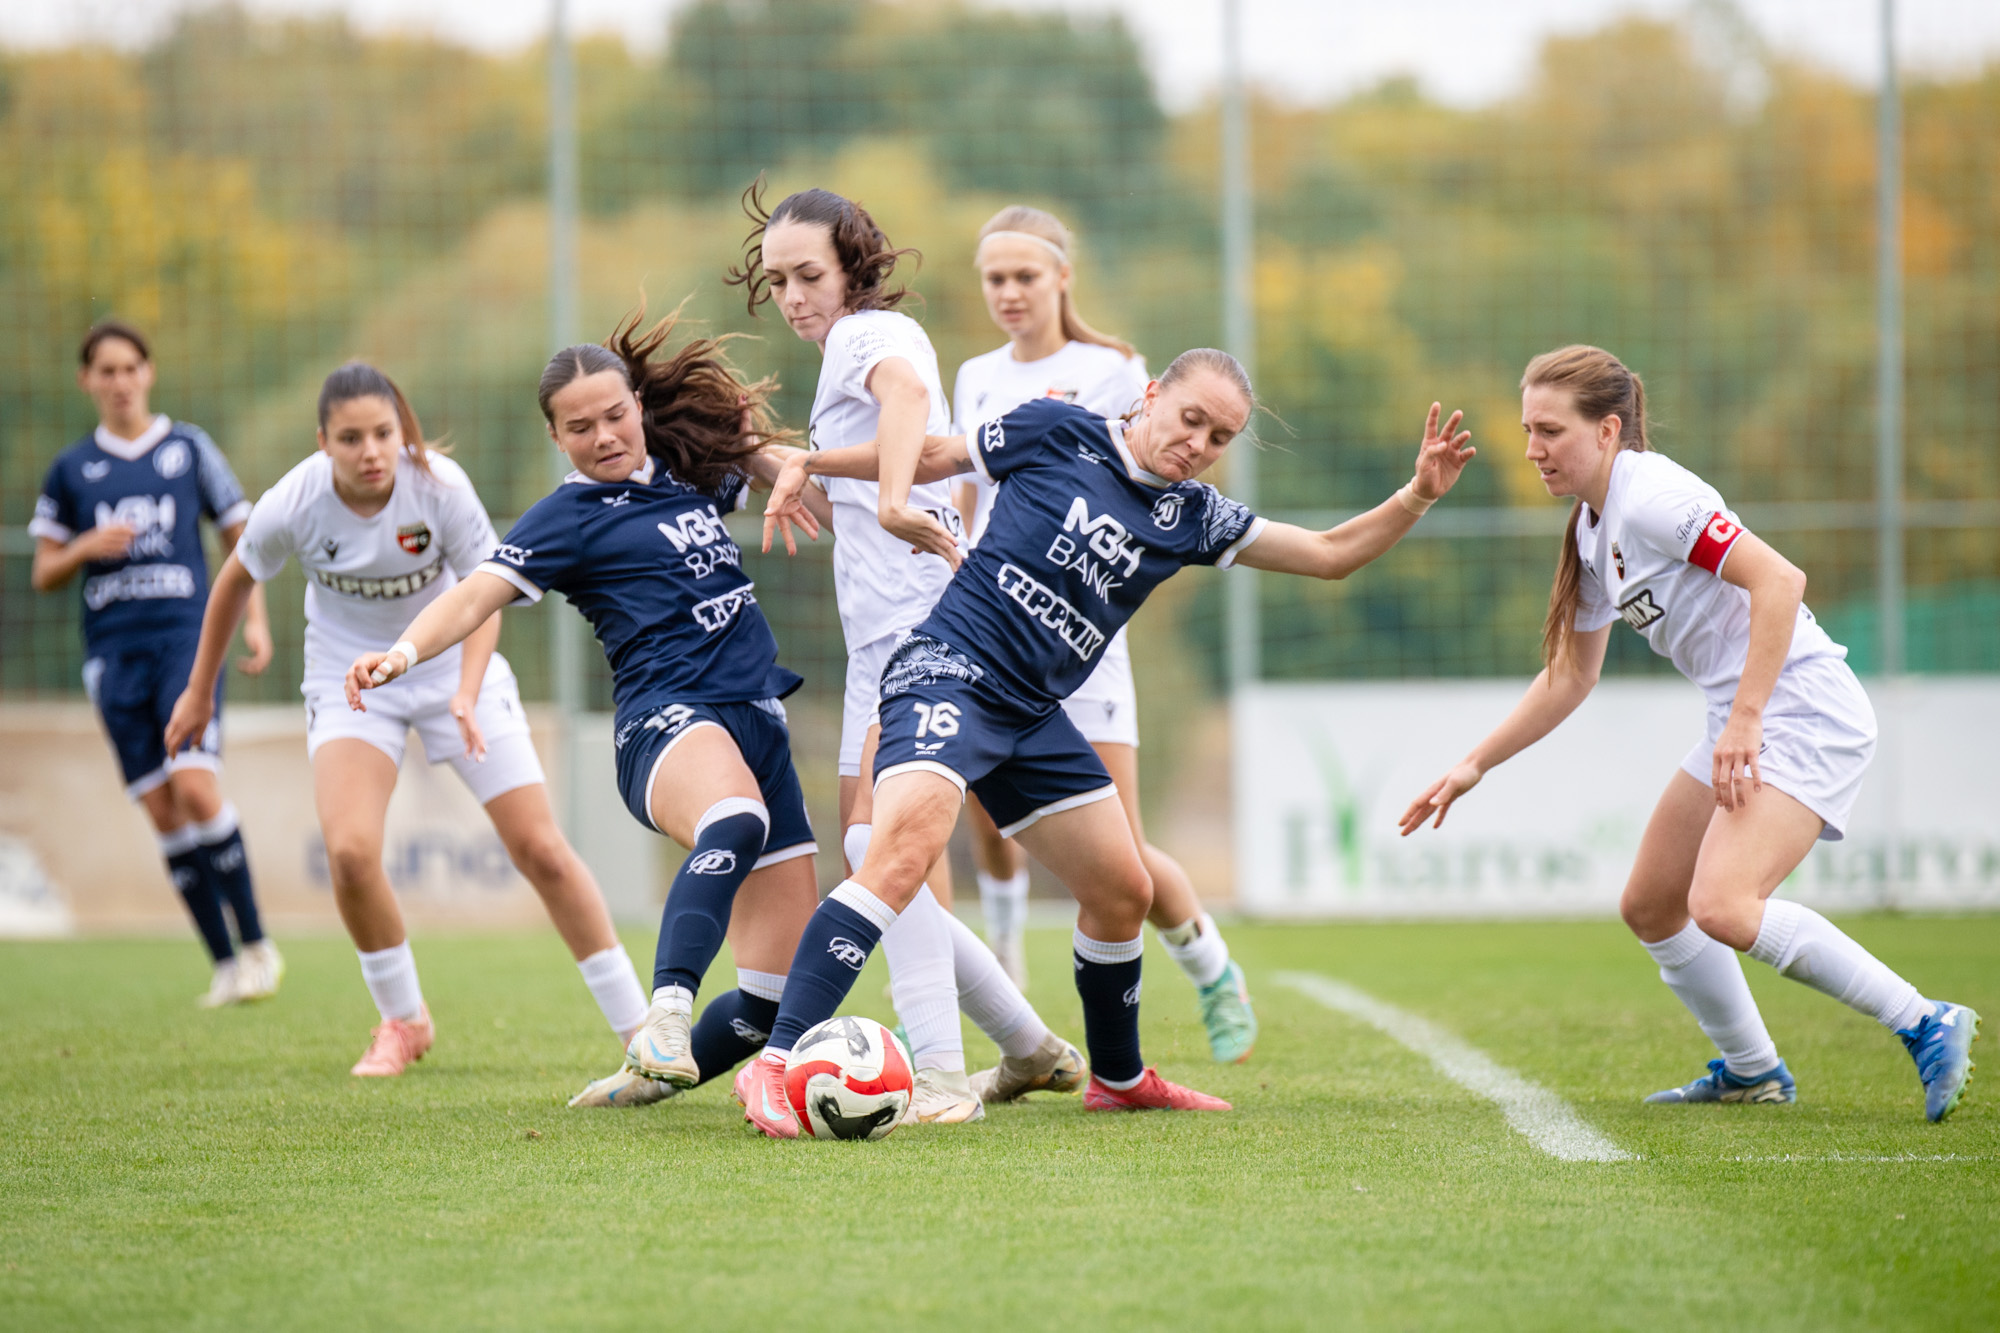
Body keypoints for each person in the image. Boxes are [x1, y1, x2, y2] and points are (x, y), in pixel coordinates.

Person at [741, 348, 1476, 1137]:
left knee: (1125, 889)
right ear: (1152, 395)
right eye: (1190, 418)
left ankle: (1118, 1080)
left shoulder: (1196, 514)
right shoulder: (1058, 429)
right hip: (948, 671)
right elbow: (927, 455)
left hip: (1030, 713)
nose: (1198, 443)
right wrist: (811, 458)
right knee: (900, 854)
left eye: (1219, 436)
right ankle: (776, 1067)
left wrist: (1416, 496)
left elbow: (1329, 556)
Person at [1396, 345, 1979, 1123]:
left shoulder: (1651, 496)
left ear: (1608, 431)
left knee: (1726, 905)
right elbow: (1571, 675)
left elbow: (1780, 580)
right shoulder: (1591, 529)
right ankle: (1753, 1071)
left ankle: (1924, 1019)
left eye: (1550, 430)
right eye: (1527, 428)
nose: (1533, 448)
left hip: (1801, 709)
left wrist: (1745, 719)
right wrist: (1475, 764)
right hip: (1741, 715)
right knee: (1652, 903)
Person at [339, 311, 824, 1109]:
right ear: (557, 440)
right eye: (578, 427)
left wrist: (762, 450)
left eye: (614, 415)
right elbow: (474, 595)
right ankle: (663, 1014)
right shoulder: (567, 517)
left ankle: (639, 1085)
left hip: (759, 718)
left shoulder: (685, 469)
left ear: (638, 405)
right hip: (667, 722)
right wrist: (400, 654)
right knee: (734, 820)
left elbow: (777, 470)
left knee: (768, 1004)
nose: (602, 436)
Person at [167, 361, 647, 1079]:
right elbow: (235, 578)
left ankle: (642, 1032)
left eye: (384, 433)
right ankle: (403, 1019)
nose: (371, 451)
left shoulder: (440, 487)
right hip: (352, 678)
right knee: (353, 854)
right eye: (351, 437)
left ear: (402, 431)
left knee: (542, 849)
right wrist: (199, 691)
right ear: (323, 440)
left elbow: (489, 593)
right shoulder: (294, 501)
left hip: (455, 667)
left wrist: (466, 690)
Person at [731, 184, 1085, 1123]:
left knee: (888, 847)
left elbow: (910, 397)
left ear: (853, 267)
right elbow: (862, 443)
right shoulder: (845, 347)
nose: (796, 296)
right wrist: (776, 456)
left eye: (811, 274)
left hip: (924, 630)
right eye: (778, 282)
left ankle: (937, 1073)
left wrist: (889, 500)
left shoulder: (866, 335)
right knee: (865, 842)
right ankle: (1031, 1046)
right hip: (884, 634)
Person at [950, 204, 1258, 1070]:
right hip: (996, 624)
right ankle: (1006, 964)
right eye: (994, 278)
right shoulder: (974, 373)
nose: (1009, 293)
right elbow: (972, 484)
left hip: (1084, 642)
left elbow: (1147, 502)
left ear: (1061, 279)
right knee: (984, 811)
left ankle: (1210, 967)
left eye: (1025, 276)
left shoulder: (1116, 368)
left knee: (1120, 842)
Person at [31, 319, 279, 1008]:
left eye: (130, 367)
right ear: (87, 380)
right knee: (164, 812)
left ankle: (259, 945)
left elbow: (244, 536)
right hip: (113, 658)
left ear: (149, 372)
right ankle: (226, 963)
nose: (119, 382)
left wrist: (254, 620)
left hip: (185, 643)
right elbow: (45, 569)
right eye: (104, 370)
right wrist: (86, 546)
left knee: (197, 788)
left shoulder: (188, 449)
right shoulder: (72, 468)